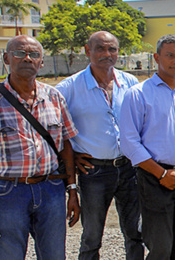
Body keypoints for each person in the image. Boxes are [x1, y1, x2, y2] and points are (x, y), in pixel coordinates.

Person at [0, 35, 79, 259]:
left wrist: (72, 190)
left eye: (34, 54)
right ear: (6, 58)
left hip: (51, 191)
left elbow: (66, 146)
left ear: (42, 62)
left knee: (55, 256)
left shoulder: (54, 97)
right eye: (20, 53)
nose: (27, 58)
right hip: (6, 194)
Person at [55, 31, 143, 260]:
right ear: (88, 50)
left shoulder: (130, 82)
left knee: (135, 232)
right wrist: (70, 156)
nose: (107, 54)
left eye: (112, 49)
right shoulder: (69, 88)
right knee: (92, 235)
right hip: (94, 172)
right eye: (100, 49)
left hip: (129, 169)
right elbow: (55, 130)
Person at [120, 34, 175, 260]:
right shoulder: (138, 94)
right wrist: (161, 174)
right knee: (160, 247)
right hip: (154, 179)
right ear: (157, 57)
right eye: (170, 56)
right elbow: (130, 142)